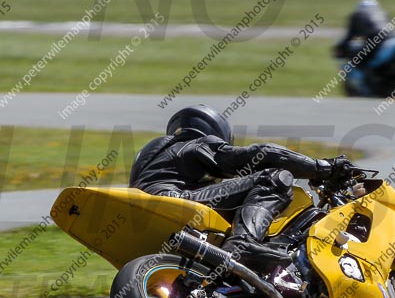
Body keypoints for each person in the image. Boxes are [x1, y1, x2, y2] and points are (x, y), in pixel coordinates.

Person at [129, 105, 355, 272]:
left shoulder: (158, 155)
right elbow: (264, 155)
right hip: (175, 200)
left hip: (149, 216)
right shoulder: (195, 144)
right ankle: (243, 244)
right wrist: (321, 168)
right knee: (275, 177)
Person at [334, 0, 395, 95]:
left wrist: (340, 48)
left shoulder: (357, 15)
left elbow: (349, 35)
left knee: (363, 60)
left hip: (377, 41)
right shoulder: (383, 13)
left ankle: (368, 86)